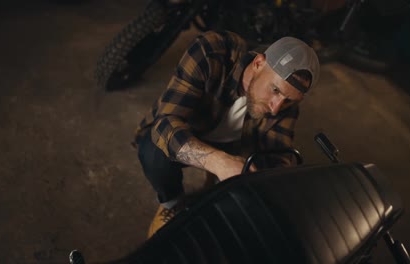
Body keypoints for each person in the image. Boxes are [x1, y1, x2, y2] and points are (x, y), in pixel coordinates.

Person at [133, 30, 320, 236]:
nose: (276, 108)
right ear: (259, 63)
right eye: (275, 90)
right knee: (152, 150)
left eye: (289, 100)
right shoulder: (211, 50)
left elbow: (278, 156)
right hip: (191, 131)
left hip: (237, 147)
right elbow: (165, 125)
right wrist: (219, 163)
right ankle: (172, 203)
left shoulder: (286, 105)